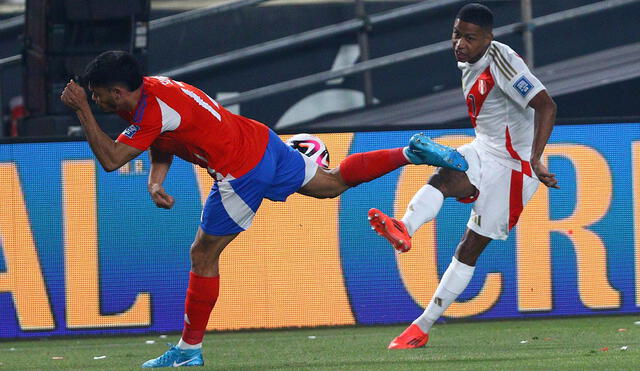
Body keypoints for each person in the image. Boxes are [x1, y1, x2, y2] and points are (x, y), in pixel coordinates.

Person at [60, 50, 467, 367]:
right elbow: (164, 138)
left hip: (240, 170)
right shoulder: (153, 91)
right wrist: (155, 179)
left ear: (117, 92)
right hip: (261, 140)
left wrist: (80, 111)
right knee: (331, 183)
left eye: (97, 96)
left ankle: (188, 349)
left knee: (202, 255)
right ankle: (409, 152)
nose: (95, 102)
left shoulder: (148, 109)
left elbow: (113, 159)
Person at [368, 3, 558, 349]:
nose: (460, 43)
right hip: (486, 149)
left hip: (515, 167)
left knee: (470, 247)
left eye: (470, 38)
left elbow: (547, 105)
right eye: (457, 34)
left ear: (488, 38)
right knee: (444, 176)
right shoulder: (469, 58)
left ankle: (421, 327)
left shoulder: (502, 61)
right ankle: (404, 229)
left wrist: (536, 157)